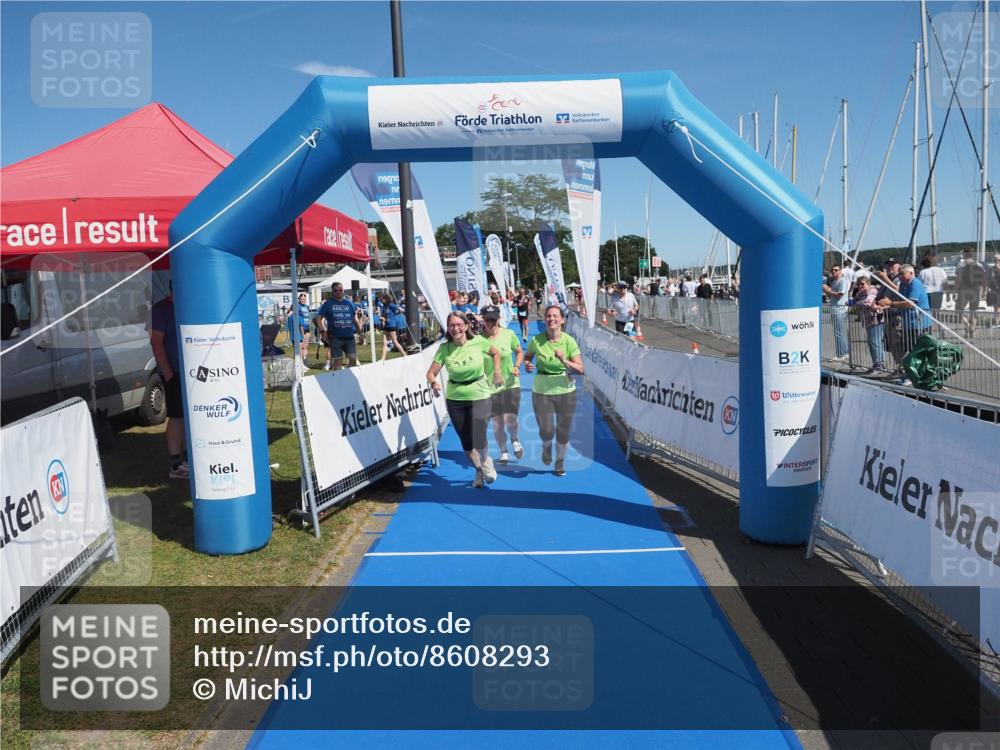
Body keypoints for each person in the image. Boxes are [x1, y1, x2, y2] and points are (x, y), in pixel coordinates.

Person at [426, 312, 503, 488]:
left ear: (466, 326)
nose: (456, 328)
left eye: (459, 324)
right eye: (452, 325)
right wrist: (433, 383)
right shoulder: (444, 349)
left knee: (479, 434)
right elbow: (431, 372)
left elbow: (495, 353)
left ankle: (485, 462)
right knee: (467, 445)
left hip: (479, 393)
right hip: (455, 398)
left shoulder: (478, 342)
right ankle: (479, 469)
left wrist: (497, 371)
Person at [525, 305, 585, 476]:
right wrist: (528, 364)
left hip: (565, 390)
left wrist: (564, 360)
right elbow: (528, 357)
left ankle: (560, 461)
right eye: (548, 316)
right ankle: (546, 446)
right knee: (546, 430)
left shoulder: (569, 341)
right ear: (544, 319)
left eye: (555, 316)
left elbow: (580, 369)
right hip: (541, 390)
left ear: (562, 320)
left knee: (563, 430)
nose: (551, 319)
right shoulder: (537, 340)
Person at [149, 290, 188, 480]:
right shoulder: (161, 309)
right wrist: (168, 374)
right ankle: (176, 463)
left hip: (193, 372)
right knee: (177, 417)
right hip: (174, 372)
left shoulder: (187, 304)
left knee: (191, 416)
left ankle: (188, 459)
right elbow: (156, 342)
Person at [480, 304, 524, 465]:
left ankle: (514, 438)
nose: (491, 323)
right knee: (497, 423)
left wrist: (517, 366)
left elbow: (519, 351)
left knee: (510, 418)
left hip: (511, 383)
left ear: (499, 319)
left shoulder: (509, 334)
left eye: (494, 319)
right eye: (487, 320)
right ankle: (503, 451)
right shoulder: (478, 340)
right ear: (483, 320)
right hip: (490, 387)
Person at [878, 263, 932, 385]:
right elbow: (900, 301)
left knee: (917, 351)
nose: (900, 276)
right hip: (908, 323)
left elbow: (910, 303)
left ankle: (917, 376)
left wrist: (891, 303)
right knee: (909, 349)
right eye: (899, 274)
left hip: (920, 323)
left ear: (911, 273)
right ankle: (910, 374)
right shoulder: (903, 284)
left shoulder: (915, 284)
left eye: (902, 274)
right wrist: (887, 305)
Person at [317, 283, 363, 370]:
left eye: (340, 290)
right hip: (335, 338)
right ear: (332, 292)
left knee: (353, 360)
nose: (338, 292)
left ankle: (347, 378)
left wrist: (360, 334)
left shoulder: (349, 303)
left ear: (343, 291)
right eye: (335, 291)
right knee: (338, 362)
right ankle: (337, 382)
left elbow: (355, 320)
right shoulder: (328, 304)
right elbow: (318, 319)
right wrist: (323, 332)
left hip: (349, 337)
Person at [850, 275, 886, 374]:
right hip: (867, 320)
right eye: (858, 284)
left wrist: (855, 304)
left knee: (875, 343)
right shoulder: (860, 293)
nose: (860, 286)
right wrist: (851, 301)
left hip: (876, 320)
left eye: (862, 284)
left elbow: (868, 302)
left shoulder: (872, 291)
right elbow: (853, 300)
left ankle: (880, 365)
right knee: (871, 343)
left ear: (868, 283)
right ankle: (876, 363)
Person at [956, 248, 987, 338]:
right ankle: (972, 330)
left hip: (964, 290)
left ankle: (968, 327)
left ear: (965, 255)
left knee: (959, 310)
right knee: (973, 311)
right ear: (972, 255)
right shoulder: (979, 265)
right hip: (976, 290)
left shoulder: (961, 265)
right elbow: (984, 280)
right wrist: (984, 291)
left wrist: (955, 290)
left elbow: (958, 280)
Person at [821, 264, 850, 360]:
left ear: (840, 271)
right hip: (834, 309)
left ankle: (841, 354)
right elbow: (832, 296)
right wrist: (827, 290)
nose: (834, 271)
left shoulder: (842, 281)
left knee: (838, 333)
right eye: (832, 270)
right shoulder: (834, 282)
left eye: (836, 270)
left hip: (839, 310)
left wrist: (827, 291)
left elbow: (839, 295)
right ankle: (844, 352)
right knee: (838, 332)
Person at [378, 291, 407, 359]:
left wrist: (404, 311)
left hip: (392, 326)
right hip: (386, 326)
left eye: (382, 299)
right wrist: (382, 318)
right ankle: (382, 359)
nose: (381, 300)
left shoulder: (391, 305)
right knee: (384, 342)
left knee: (395, 342)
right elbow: (383, 316)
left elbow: (400, 308)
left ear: (385, 299)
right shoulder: (384, 307)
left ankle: (404, 355)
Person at [286, 292, 312, 363]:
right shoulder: (297, 306)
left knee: (305, 346)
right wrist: (287, 316)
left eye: (304, 299)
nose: (302, 300)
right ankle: (300, 362)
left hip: (307, 327)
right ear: (299, 299)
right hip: (301, 327)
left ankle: (305, 362)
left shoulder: (306, 306)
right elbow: (289, 313)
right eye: (301, 299)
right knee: (301, 346)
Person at [988, 255, 1000, 328]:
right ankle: (996, 321)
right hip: (994, 290)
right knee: (995, 306)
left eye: (998, 260)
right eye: (995, 260)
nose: (996, 262)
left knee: (998, 307)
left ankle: (997, 321)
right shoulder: (991, 269)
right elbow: (989, 279)